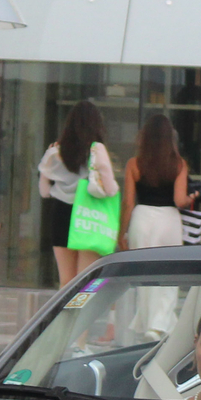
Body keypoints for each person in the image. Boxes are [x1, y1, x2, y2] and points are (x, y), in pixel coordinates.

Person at [37, 99, 118, 284]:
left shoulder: (54, 152)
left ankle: (66, 314)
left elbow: (44, 192)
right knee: (85, 279)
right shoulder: (97, 150)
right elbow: (111, 189)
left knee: (66, 280)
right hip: (89, 214)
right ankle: (83, 313)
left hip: (61, 214)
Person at [122, 113, 194, 250]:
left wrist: (121, 233)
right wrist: (191, 198)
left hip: (141, 219)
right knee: (168, 268)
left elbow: (128, 203)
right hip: (169, 221)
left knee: (139, 267)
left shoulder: (134, 164)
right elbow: (179, 200)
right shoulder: (179, 164)